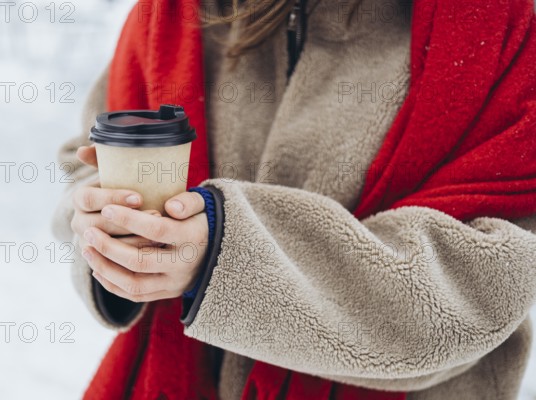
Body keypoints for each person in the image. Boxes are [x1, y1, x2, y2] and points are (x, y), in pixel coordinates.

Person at [52, 0, 536, 398]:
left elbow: (489, 280)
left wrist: (223, 257)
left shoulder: (498, 28)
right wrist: (111, 230)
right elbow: (85, 164)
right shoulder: (171, 15)